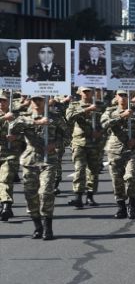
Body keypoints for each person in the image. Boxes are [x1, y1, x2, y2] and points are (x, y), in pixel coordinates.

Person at [10, 95, 67, 240]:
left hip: (49, 160)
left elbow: (67, 135)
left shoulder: (55, 117)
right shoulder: (24, 117)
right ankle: (37, 226)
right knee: (30, 195)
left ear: (46, 100)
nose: (37, 102)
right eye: (34, 99)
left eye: (40, 99)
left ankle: (48, 227)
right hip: (30, 159)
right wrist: (37, 122)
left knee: (46, 192)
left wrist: (55, 145)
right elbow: (13, 128)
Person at [100, 90, 135, 219]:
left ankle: (132, 205)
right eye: (121, 95)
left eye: (126, 95)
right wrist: (121, 116)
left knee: (131, 176)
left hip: (133, 149)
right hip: (115, 149)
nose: (123, 98)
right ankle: (121, 206)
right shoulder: (110, 111)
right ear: (116, 97)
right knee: (117, 180)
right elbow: (103, 125)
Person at [65, 87, 105, 208]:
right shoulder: (74, 105)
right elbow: (69, 117)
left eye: (89, 91)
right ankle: (78, 196)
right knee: (80, 169)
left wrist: (101, 132)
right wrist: (87, 110)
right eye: (85, 91)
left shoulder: (101, 105)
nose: (87, 93)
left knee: (94, 170)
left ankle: (90, 195)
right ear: (80, 93)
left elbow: (107, 122)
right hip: (79, 142)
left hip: (95, 143)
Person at [0, 93, 23, 221]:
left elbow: (27, 133)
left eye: (3, 101)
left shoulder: (17, 116)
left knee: (6, 178)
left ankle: (6, 206)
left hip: (10, 153)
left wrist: (16, 137)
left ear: (8, 102)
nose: (1, 103)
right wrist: (4, 118)